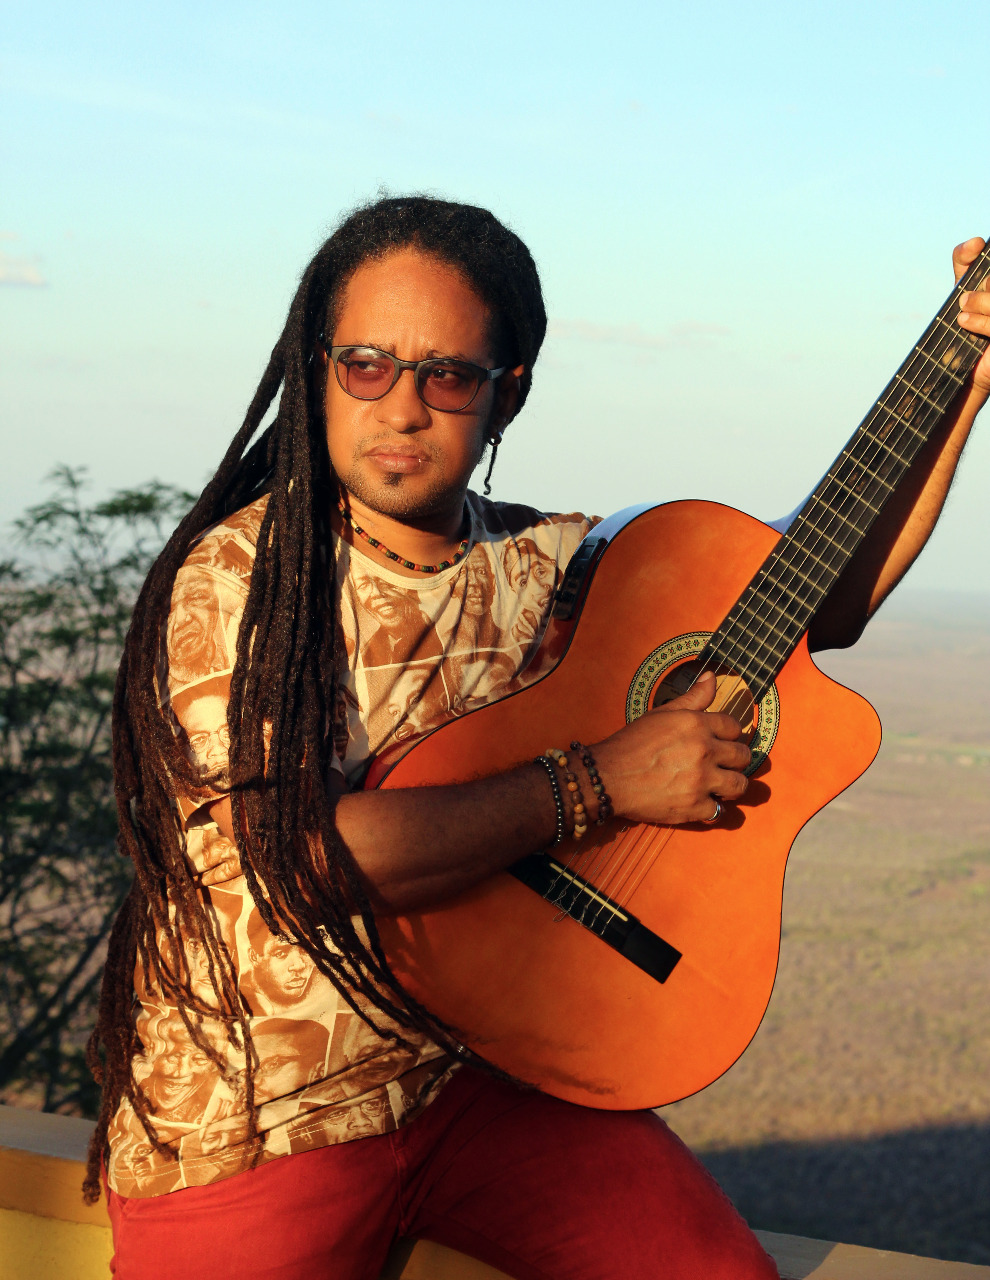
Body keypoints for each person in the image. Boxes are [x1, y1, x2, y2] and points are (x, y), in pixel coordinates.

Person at [85, 196, 990, 1279]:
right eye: (365, 365)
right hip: (257, 1116)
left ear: (504, 394)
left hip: (480, 1073)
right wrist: (600, 780)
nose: (401, 406)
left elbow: (812, 593)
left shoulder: (543, 566)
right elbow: (305, 858)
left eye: (446, 376)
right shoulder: (242, 579)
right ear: (317, 371)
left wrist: (963, 375)